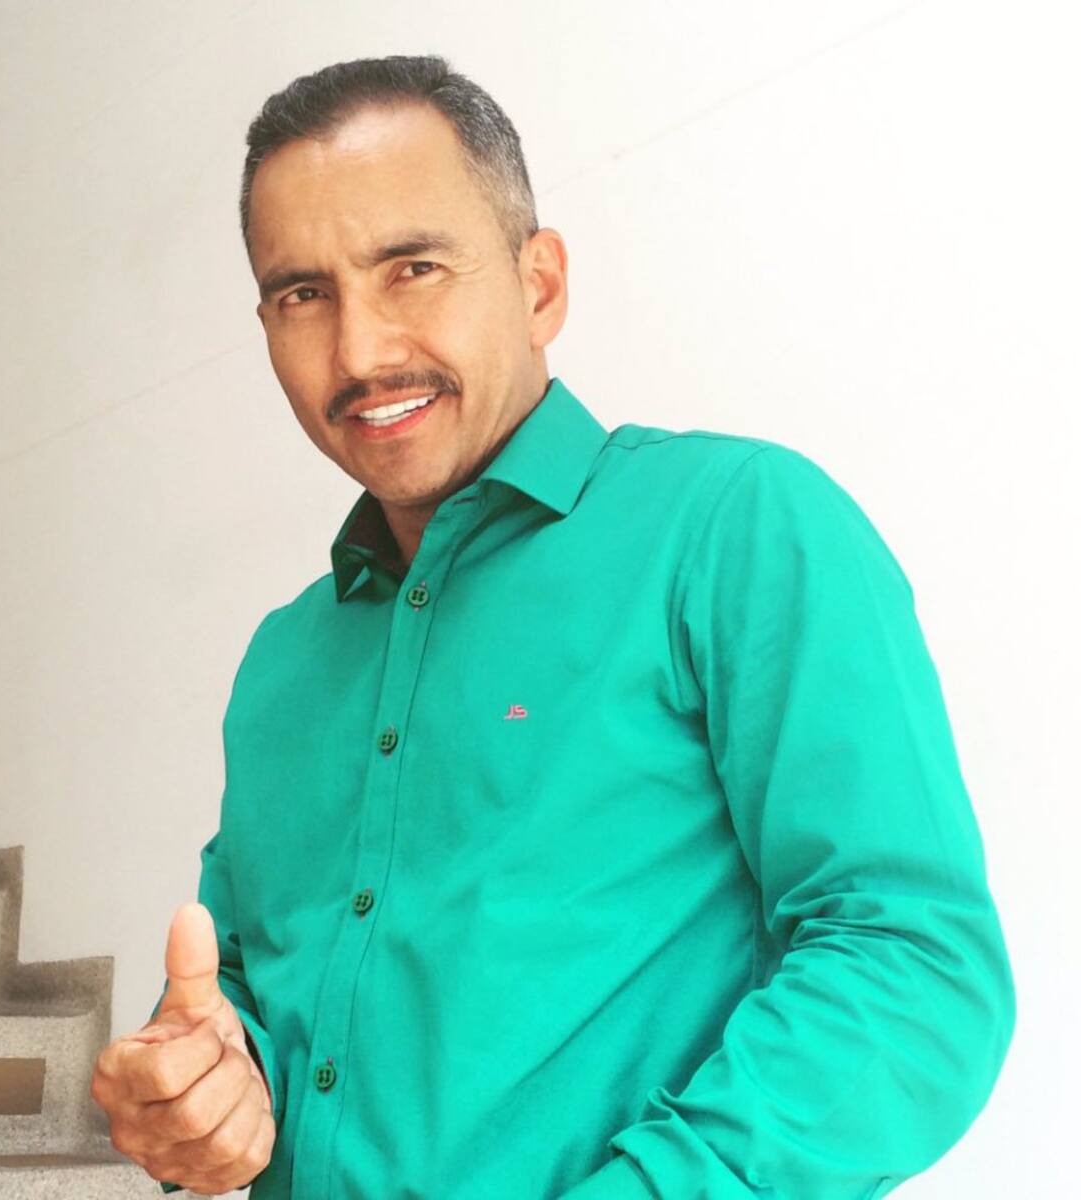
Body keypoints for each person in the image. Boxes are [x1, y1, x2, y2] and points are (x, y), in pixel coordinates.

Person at [89, 54, 1016, 1199]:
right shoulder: (283, 660)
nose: (359, 352)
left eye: (413, 268)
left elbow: (915, 968)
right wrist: (202, 1087)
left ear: (540, 286)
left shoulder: (735, 527)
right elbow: (251, 987)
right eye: (302, 294)